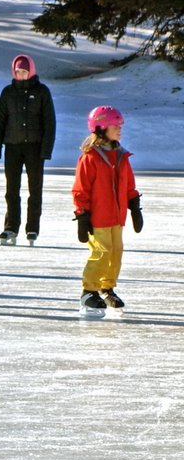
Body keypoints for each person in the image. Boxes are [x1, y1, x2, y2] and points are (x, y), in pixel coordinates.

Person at [71, 106, 142, 319]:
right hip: (97, 218)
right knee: (101, 253)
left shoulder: (121, 155)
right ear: (101, 128)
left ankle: (107, 288)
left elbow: (129, 184)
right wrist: (82, 215)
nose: (120, 130)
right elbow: (80, 189)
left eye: (120, 126)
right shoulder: (90, 157)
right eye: (115, 126)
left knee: (115, 252)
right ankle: (88, 291)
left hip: (116, 217)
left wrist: (134, 207)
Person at [0, 54, 57, 246]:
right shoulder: (8, 92)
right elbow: (0, 122)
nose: (21, 75)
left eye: (24, 71)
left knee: (35, 189)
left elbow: (49, 122)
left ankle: (32, 227)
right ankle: (11, 226)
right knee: (12, 189)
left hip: (35, 148)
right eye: (18, 71)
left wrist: (46, 149)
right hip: (12, 147)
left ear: (31, 71)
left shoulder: (42, 91)